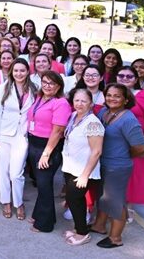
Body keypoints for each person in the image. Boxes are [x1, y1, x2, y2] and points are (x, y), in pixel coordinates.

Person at [89, 84, 144, 249]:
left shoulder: (128, 119)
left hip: (118, 167)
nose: (112, 99)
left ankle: (116, 237)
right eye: (109, 95)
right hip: (103, 163)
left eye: (117, 96)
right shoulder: (104, 113)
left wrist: (123, 154)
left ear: (126, 99)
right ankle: (99, 226)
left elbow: (140, 148)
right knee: (103, 197)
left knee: (116, 202)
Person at [0, 58, 36, 220]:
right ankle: (6, 202)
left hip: (21, 136)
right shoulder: (3, 88)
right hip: (3, 135)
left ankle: (18, 202)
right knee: (3, 170)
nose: (19, 73)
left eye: (22, 70)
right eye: (16, 70)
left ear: (27, 71)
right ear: (11, 72)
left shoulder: (33, 88)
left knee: (16, 174)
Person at [26, 70, 71, 233]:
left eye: (51, 83)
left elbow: (58, 131)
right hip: (34, 143)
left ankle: (44, 224)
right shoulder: (40, 97)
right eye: (44, 82)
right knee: (41, 183)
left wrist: (46, 153)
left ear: (58, 85)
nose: (47, 86)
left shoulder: (61, 103)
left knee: (45, 184)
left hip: (47, 147)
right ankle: (40, 214)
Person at [62, 88, 104, 246]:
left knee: (75, 199)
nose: (79, 104)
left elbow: (97, 151)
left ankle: (82, 233)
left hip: (83, 170)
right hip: (70, 167)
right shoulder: (74, 116)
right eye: (77, 100)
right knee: (74, 200)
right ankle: (79, 229)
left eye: (84, 101)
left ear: (91, 104)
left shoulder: (93, 123)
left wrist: (85, 175)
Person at [115, 66, 144, 211]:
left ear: (136, 79)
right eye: (121, 75)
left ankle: (128, 205)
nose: (125, 79)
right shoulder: (112, 93)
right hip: (116, 142)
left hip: (137, 142)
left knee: (135, 173)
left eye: (129, 76)